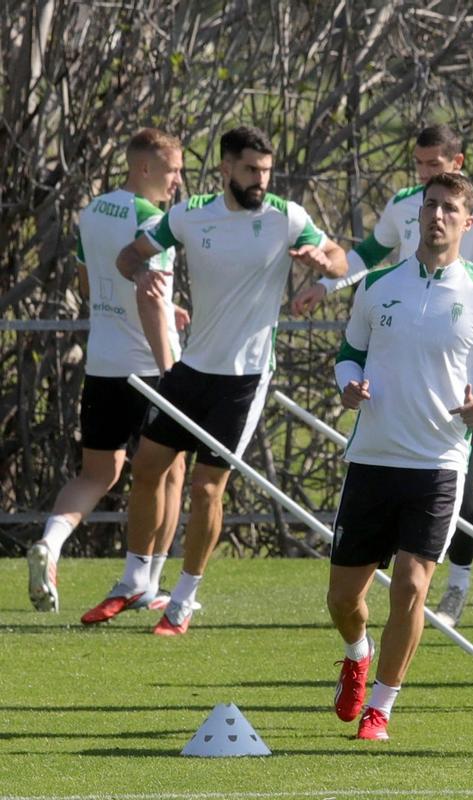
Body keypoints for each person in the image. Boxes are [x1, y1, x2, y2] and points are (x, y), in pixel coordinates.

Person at [80, 125, 347, 635]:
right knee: (148, 464)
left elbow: (336, 256)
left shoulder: (285, 218)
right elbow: (128, 255)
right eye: (250, 170)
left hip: (244, 379)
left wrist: (322, 268)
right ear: (225, 168)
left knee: (206, 489)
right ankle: (135, 581)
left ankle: (182, 599)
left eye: (266, 171)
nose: (260, 180)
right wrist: (140, 275)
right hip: (191, 367)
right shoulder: (187, 214)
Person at [292, 124, 473, 628]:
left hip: (457, 355)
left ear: (457, 161)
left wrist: (453, 281)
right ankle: (361, 649)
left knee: (453, 494)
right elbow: (366, 259)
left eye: (434, 165)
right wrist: (326, 285)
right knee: (346, 591)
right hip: (394, 355)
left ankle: (458, 584)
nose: (425, 176)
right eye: (419, 166)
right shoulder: (405, 203)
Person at [326, 172, 473, 741]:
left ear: (467, 222)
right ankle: (356, 655)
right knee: (342, 599)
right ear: (419, 214)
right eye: (430, 205)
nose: (437, 216)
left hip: (437, 463)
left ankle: (380, 707)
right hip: (372, 459)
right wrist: (349, 386)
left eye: (449, 209)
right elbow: (348, 354)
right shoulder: (378, 285)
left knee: (411, 585)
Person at [27, 128, 189, 613]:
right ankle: (150, 582)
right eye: (171, 170)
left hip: (103, 363)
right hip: (149, 367)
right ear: (144, 168)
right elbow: (146, 299)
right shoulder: (153, 220)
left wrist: (165, 302)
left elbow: (86, 278)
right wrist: (171, 373)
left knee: (99, 471)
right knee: (171, 470)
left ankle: (50, 544)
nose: (177, 181)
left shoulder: (94, 210)